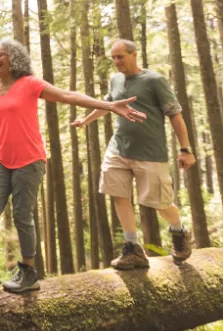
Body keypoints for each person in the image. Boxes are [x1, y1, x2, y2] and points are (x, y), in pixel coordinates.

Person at [0, 39, 145, 293]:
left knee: (21, 214)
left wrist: (108, 105)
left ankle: (28, 272)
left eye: (0, 55)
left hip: (29, 161)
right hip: (1, 160)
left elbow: (67, 95)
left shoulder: (30, 84)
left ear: (14, 59)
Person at [72, 39, 194, 270]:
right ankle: (133, 248)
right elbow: (108, 105)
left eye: (121, 57)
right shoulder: (115, 80)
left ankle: (178, 231)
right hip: (118, 149)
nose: (117, 62)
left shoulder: (154, 81)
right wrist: (86, 120)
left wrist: (185, 149)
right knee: (118, 194)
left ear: (134, 55)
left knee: (160, 203)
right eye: (113, 58)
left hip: (150, 153)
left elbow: (175, 115)